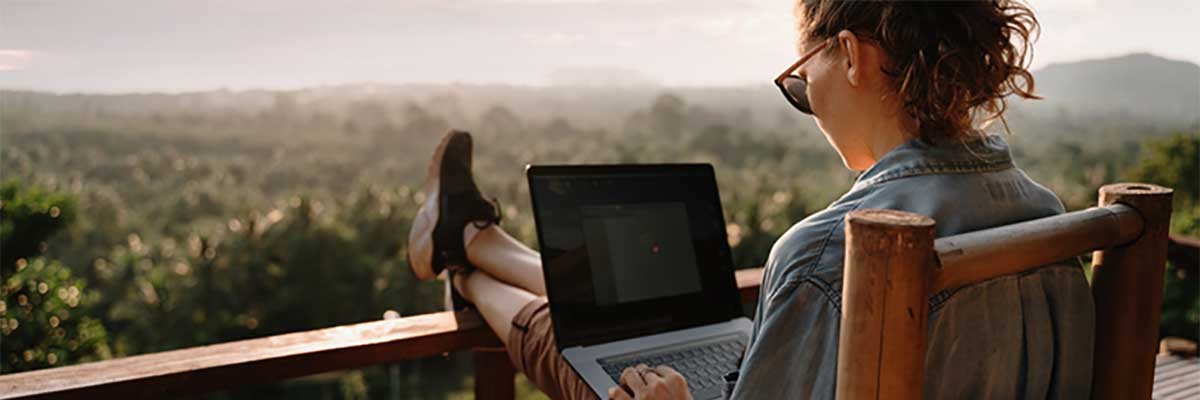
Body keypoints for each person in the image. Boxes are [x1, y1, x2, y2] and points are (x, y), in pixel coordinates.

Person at [406, 0, 1094, 399]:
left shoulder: (833, 253)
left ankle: (464, 263)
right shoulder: (1049, 219)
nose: (807, 101)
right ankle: (472, 240)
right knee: (633, 320)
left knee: (580, 345)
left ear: (850, 56)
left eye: (801, 81)